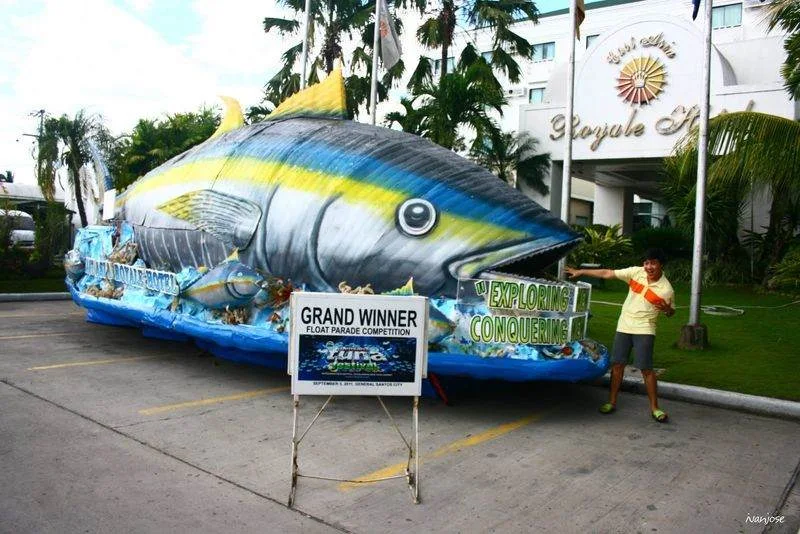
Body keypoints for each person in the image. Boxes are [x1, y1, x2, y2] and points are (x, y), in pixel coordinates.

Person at [565, 248, 675, 423]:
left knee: (646, 369)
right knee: (617, 365)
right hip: (624, 326)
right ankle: (611, 402)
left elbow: (670, 312)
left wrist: (668, 310)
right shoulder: (635, 272)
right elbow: (608, 273)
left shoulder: (666, 289)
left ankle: (655, 408)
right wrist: (581, 271)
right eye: (646, 262)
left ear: (661, 264)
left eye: (653, 262)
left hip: (645, 329)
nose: (649, 266)